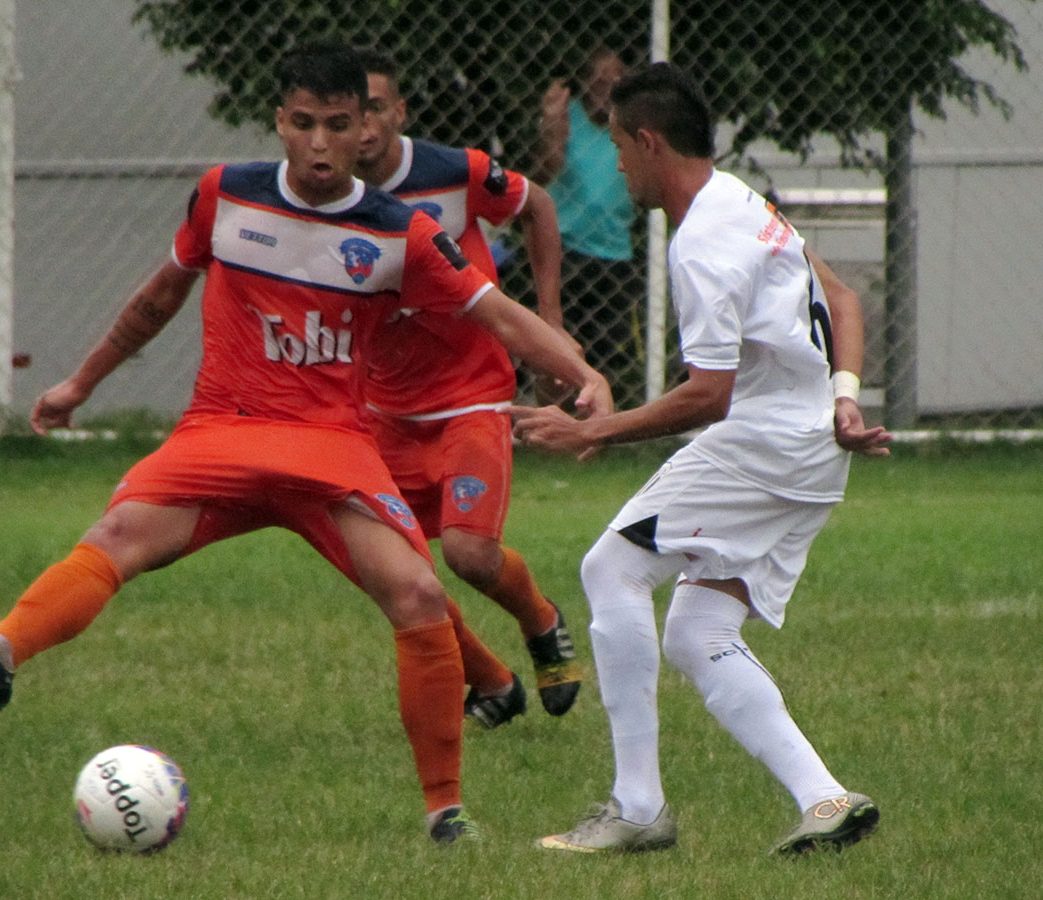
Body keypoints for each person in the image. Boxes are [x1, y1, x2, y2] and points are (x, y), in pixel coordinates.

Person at [0, 43, 611, 845]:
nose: (318, 144)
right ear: (278, 121)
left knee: (418, 594)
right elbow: (157, 298)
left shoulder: (401, 232)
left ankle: (444, 812)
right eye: (302, 124)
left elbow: (499, 315)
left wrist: (588, 375)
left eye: (337, 126)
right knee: (116, 536)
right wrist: (80, 384)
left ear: (366, 128)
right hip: (222, 433)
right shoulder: (224, 196)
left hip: (332, 449)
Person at [512, 62, 892, 855]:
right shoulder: (747, 204)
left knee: (609, 570)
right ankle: (825, 800)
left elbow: (707, 396)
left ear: (649, 143)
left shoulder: (703, 245)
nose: (614, 163)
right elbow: (844, 301)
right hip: (814, 446)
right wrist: (847, 394)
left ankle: (637, 806)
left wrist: (589, 433)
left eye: (618, 145)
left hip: (766, 445)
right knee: (698, 629)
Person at [353, 49, 583, 728]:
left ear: (400, 112)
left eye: (375, 108)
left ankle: (540, 620)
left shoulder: (456, 173)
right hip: (384, 411)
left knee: (468, 554)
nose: (361, 126)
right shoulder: (327, 196)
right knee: (394, 577)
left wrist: (548, 319)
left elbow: (536, 205)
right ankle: (491, 681)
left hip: (473, 394)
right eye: (348, 113)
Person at [535, 46, 641, 401]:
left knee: (607, 348)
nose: (607, 90)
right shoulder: (569, 117)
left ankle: (597, 419)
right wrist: (553, 130)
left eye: (616, 82)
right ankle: (552, 411)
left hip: (614, 252)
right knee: (559, 342)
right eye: (599, 82)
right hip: (568, 249)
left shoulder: (630, 126)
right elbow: (546, 170)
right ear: (585, 84)